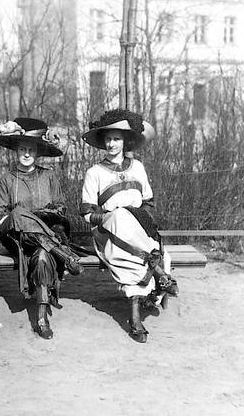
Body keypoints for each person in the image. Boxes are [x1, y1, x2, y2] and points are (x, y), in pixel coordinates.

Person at [80, 108, 178, 343]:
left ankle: (135, 319)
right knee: (121, 216)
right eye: (108, 139)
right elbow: (85, 213)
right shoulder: (94, 172)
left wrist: (136, 219)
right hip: (108, 230)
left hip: (137, 230)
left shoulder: (137, 168)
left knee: (142, 248)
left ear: (125, 141)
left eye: (116, 138)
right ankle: (158, 271)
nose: (112, 144)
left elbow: (147, 203)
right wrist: (107, 218)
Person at [0, 118, 83, 340]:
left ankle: (41, 319)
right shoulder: (7, 179)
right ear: (16, 151)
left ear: (38, 152)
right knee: (18, 213)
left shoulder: (49, 175)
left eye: (31, 149)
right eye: (22, 148)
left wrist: (45, 214)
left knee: (42, 257)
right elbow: (0, 215)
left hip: (46, 236)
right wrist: (23, 217)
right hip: (17, 237)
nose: (26, 154)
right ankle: (63, 255)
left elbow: (61, 206)